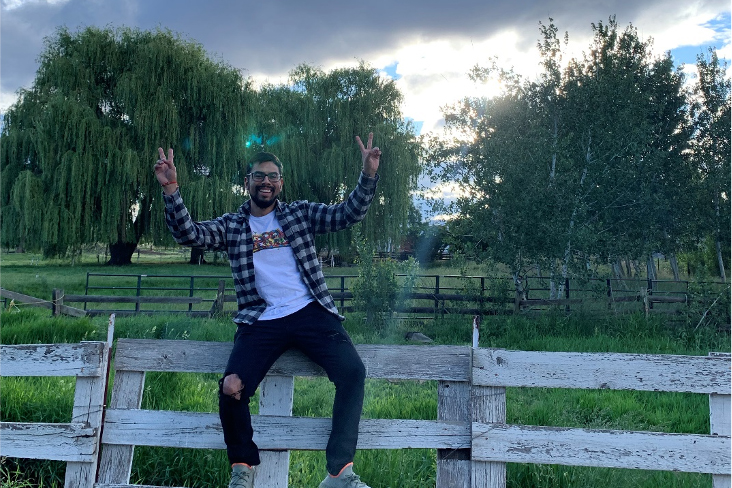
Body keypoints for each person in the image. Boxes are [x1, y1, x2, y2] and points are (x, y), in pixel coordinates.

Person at [154, 134, 381, 488]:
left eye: (273, 176)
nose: (266, 182)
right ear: (247, 182)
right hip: (260, 320)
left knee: (353, 372)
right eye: (259, 176)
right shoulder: (233, 225)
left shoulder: (300, 214)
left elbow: (347, 214)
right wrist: (171, 191)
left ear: (281, 183)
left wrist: (367, 176)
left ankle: (339, 473)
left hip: (311, 312)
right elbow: (189, 234)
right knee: (231, 387)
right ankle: (242, 468)